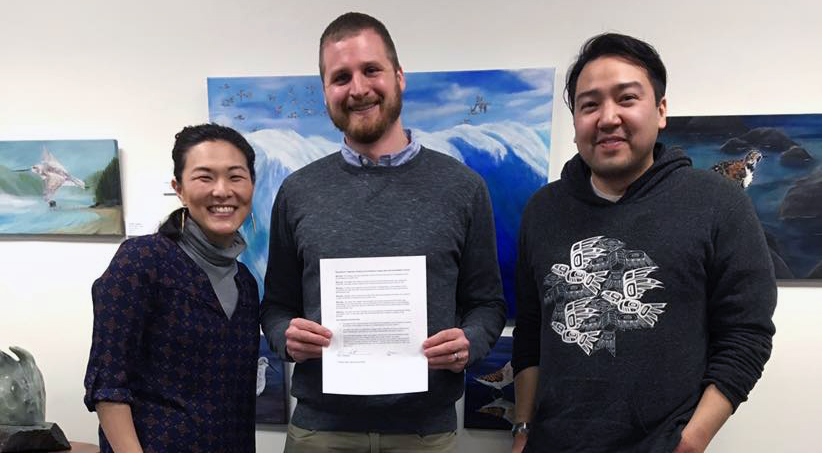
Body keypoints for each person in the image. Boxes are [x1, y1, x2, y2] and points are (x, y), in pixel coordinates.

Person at [511, 33, 776, 452]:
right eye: (589, 104)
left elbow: (747, 336)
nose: (607, 117)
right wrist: (522, 428)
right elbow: (530, 331)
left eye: (627, 98)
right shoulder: (543, 210)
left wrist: (693, 439)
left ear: (661, 110)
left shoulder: (718, 204)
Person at [260, 11, 507, 453]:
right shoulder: (297, 191)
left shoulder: (463, 187)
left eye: (371, 70)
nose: (358, 89)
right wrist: (286, 338)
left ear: (398, 77)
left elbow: (487, 304)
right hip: (320, 431)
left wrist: (470, 342)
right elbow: (276, 306)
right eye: (340, 77)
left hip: (424, 433)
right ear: (325, 92)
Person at [84, 123, 260, 452]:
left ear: (251, 185)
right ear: (178, 188)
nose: (222, 191)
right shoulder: (142, 261)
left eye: (236, 176)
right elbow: (108, 386)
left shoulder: (245, 282)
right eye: (205, 177)